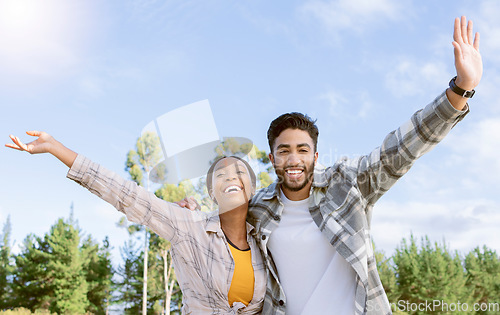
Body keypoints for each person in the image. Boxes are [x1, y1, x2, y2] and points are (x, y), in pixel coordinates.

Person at [180, 16, 483, 315]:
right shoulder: (257, 209)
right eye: (284, 151)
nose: (294, 159)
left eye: (302, 150)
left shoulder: (348, 184)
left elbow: (401, 149)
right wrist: (192, 218)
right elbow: (222, 233)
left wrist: (460, 89)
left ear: (315, 155)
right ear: (272, 159)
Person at [5, 132, 267, 314]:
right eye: (220, 174)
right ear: (211, 191)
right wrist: (56, 148)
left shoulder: (265, 242)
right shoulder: (190, 226)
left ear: (253, 187)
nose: (231, 177)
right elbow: (126, 195)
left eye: (239, 172)